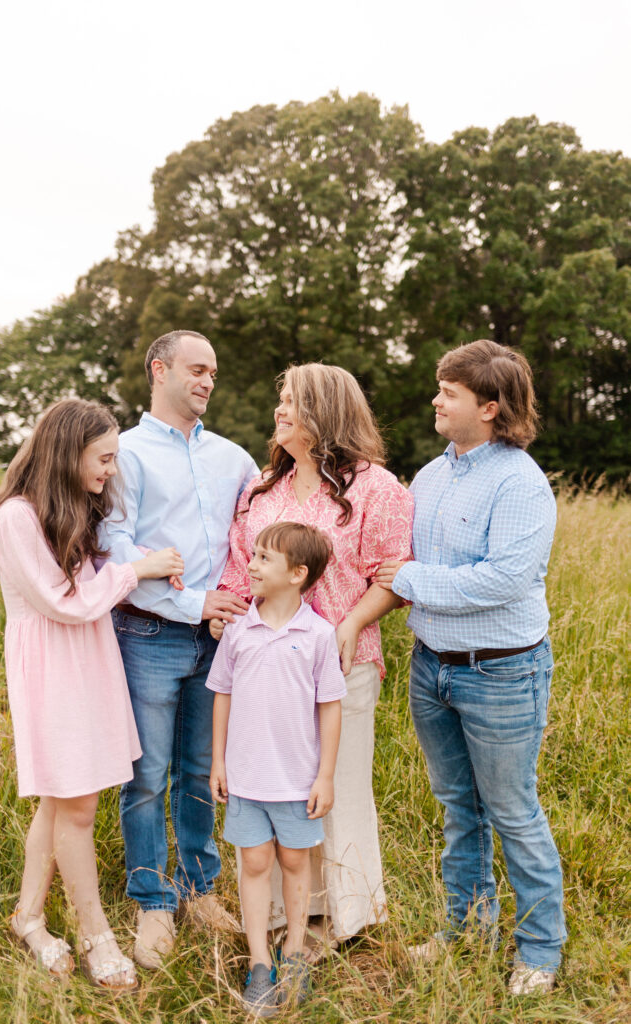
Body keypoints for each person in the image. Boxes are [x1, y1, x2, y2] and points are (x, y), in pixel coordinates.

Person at [374, 339, 567, 996]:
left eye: (447, 392)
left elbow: (503, 581)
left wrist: (408, 578)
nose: (435, 399)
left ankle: (539, 950)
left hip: (500, 673)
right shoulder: (428, 477)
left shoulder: (519, 481)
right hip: (431, 668)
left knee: (512, 810)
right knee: (458, 806)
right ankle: (466, 928)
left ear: (488, 407)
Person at [0, 399, 185, 992]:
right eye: (103, 458)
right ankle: (96, 934)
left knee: (60, 799)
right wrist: (134, 572)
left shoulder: (67, 512)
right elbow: (64, 603)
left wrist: (141, 564)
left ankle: (29, 918)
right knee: (77, 806)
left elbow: (92, 587)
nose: (110, 471)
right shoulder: (15, 517)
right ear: (69, 452)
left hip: (89, 661)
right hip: (53, 669)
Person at [214, 363, 414, 954]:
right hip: (265, 670)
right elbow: (238, 572)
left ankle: (346, 918)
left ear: (324, 414)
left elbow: (394, 575)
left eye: (293, 402)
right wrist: (218, 613)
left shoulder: (378, 489)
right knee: (273, 785)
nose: (280, 412)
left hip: (342, 664)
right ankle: (281, 918)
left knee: (337, 786)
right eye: (280, 400)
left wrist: (351, 621)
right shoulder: (261, 491)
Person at [99, 330, 258, 969]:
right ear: (158, 370)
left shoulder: (234, 458)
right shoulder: (125, 454)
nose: (208, 381)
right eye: (196, 369)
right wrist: (192, 602)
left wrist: (234, 604)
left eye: (214, 372)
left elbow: (253, 532)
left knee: (201, 770)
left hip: (220, 639)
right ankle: (152, 899)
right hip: (149, 635)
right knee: (146, 775)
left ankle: (198, 888)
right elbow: (115, 544)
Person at [207, 522, 347, 1015]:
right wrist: (217, 761)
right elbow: (221, 693)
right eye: (254, 555)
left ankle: (294, 952)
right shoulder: (240, 629)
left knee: (294, 864)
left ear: (297, 574)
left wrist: (325, 775)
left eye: (265, 558)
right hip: (246, 776)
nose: (251, 564)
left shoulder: (319, 634)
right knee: (255, 864)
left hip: (296, 778)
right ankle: (259, 961)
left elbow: (329, 706)